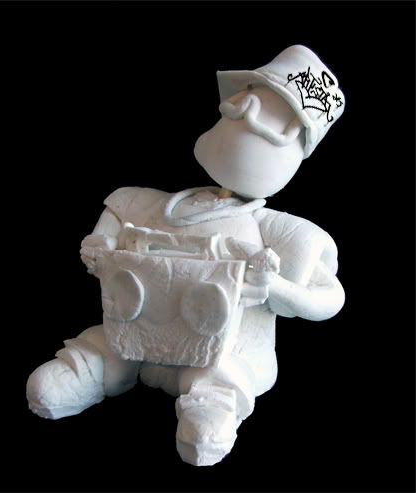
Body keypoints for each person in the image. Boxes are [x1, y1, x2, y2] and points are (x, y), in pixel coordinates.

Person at [27, 45, 345, 466]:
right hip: (136, 333)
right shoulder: (163, 205)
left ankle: (212, 408)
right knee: (106, 350)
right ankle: (89, 367)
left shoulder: (272, 230)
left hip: (217, 350)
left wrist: (276, 287)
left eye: (269, 122)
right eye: (244, 106)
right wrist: (101, 245)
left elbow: (330, 297)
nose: (246, 118)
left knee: (216, 375)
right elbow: (119, 210)